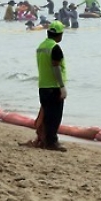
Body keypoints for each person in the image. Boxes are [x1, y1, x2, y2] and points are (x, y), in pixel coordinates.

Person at [36, 20, 67, 152]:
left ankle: (44, 139)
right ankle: (51, 141)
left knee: (47, 114)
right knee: (55, 116)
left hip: (43, 85)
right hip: (53, 87)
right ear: (59, 35)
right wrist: (62, 86)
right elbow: (56, 67)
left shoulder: (41, 46)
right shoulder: (55, 48)